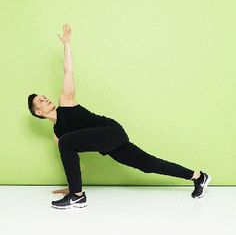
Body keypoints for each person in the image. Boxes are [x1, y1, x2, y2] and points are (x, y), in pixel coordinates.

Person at [27, 24, 211, 210]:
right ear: (38, 113)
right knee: (147, 164)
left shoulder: (66, 102)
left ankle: (78, 197)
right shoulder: (58, 136)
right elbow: (74, 165)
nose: (45, 99)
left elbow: (69, 72)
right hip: (109, 143)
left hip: (110, 131)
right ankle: (199, 177)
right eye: (40, 101)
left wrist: (67, 45)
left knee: (66, 142)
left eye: (44, 97)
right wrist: (71, 185)